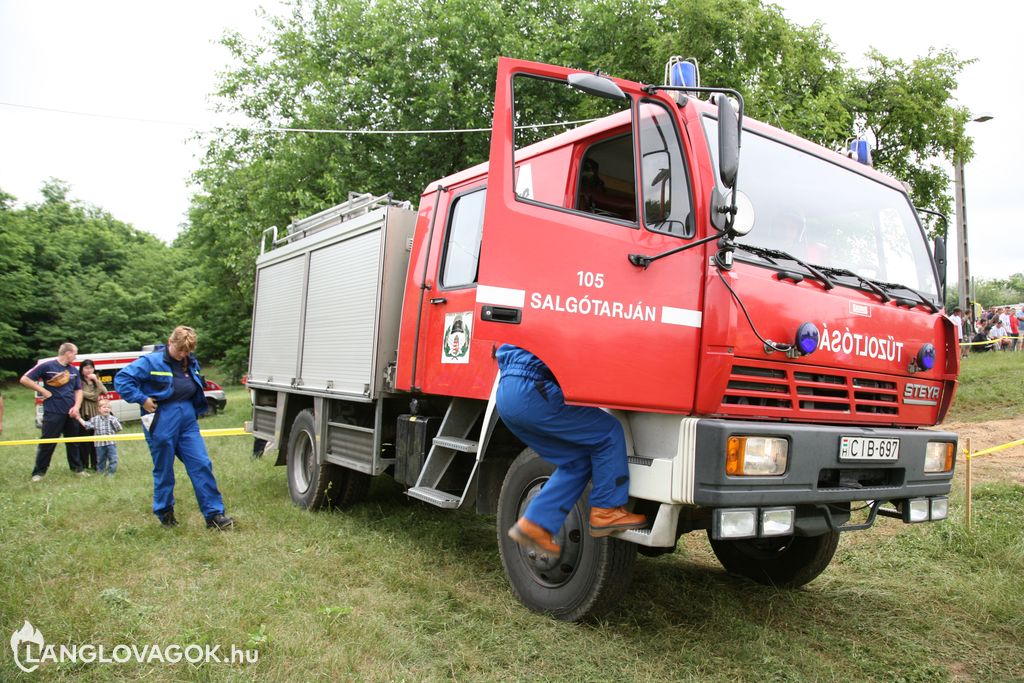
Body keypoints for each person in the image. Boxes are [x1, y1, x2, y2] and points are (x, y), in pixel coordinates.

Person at [495, 344, 646, 557]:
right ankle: (607, 510)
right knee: (607, 432)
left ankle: (535, 524)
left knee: (577, 461)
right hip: (532, 389)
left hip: (507, 393)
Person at [114, 326, 234, 530]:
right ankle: (165, 514)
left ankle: (214, 515)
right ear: (170, 342)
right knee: (164, 469)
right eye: (180, 350)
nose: (183, 355)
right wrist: (142, 399)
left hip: (187, 419)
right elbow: (122, 380)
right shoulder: (150, 361)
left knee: (202, 464)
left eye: (187, 351)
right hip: (162, 418)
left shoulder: (190, 361)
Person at [21, 342, 86, 480]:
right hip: (53, 411)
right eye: (75, 353)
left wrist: (77, 407)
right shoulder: (47, 366)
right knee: (48, 442)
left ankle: (77, 469)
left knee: (74, 441)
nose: (76, 356)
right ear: (67, 353)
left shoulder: (74, 370)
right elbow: (24, 379)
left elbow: (79, 390)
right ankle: (38, 473)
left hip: (71, 412)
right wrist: (43, 391)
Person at [77, 398, 122, 475]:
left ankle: (111, 473)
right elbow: (87, 425)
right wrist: (78, 418)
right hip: (99, 444)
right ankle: (101, 473)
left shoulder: (113, 419)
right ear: (99, 409)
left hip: (110, 443)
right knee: (100, 459)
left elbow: (119, 428)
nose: (106, 409)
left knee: (113, 459)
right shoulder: (95, 419)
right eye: (104, 407)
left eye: (108, 407)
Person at [77, 359, 108, 471]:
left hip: (95, 413)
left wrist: (97, 381)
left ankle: (96, 464)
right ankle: (84, 465)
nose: (89, 370)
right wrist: (95, 393)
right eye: (86, 368)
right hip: (83, 413)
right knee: (84, 442)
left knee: (96, 442)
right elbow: (91, 396)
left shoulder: (95, 380)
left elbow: (104, 391)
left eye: (91, 368)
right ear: (81, 370)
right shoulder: (78, 381)